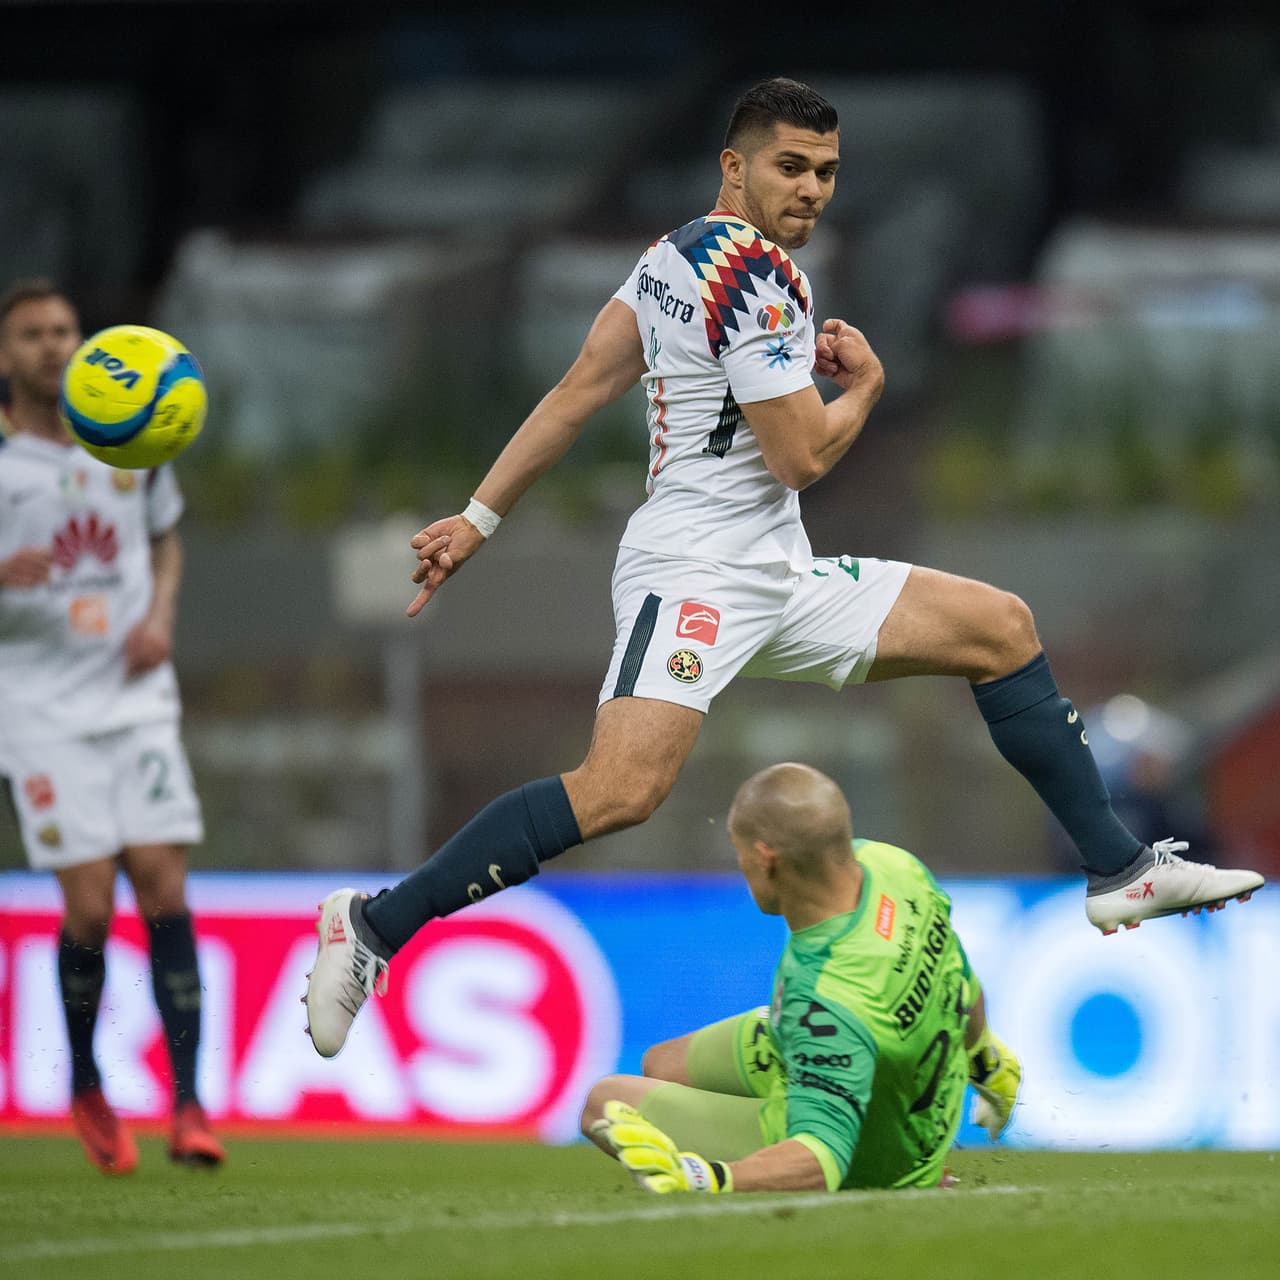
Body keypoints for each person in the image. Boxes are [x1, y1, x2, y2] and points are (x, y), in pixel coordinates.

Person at [304, 77, 1263, 1058]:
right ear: (734, 166)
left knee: (999, 627)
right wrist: (868, 390)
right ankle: (373, 925)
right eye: (789, 167)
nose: (810, 190)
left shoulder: (670, 257)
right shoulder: (751, 278)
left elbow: (576, 388)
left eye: (826, 172)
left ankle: (1116, 866)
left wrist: (476, 517)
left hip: (774, 569)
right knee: (619, 790)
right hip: (696, 574)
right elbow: (800, 455)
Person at [0, 279, 224, 1173]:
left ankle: (189, 1104)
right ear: (5, 357)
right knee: (90, 905)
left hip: (136, 696)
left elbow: (165, 538)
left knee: (166, 889)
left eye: (63, 330)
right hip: (41, 707)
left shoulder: (136, 438)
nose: (53, 346)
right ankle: (87, 1081)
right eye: (31, 335)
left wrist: (160, 615)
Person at [581, 763, 1019, 1193]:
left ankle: (879, 1167)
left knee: (603, 1102)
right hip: (876, 1062)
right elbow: (960, 981)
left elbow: (822, 1155)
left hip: (879, 1157)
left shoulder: (824, 1000)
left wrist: (703, 1176)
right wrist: (985, 1060)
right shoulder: (893, 865)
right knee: (660, 1064)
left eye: (740, 852)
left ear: (765, 859)